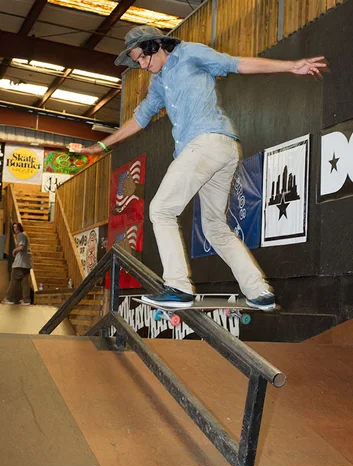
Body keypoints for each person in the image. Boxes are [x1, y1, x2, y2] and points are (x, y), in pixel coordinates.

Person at [76, 25, 328, 310]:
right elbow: (140, 118)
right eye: (137, 62)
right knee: (215, 227)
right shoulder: (159, 83)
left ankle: (178, 287)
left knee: (160, 210)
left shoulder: (189, 53)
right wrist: (103, 146)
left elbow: (237, 64)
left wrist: (291, 66)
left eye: (142, 58)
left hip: (207, 143)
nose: (143, 66)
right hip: (219, 151)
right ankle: (259, 292)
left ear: (155, 45)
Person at [2, 222, 33, 305]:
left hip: (20, 263)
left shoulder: (21, 235)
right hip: (26, 263)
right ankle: (26, 300)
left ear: (19, 228)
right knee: (25, 282)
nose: (15, 229)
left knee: (13, 280)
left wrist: (14, 250)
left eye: (16, 227)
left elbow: (21, 246)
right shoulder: (25, 235)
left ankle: (9, 298)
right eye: (14, 228)